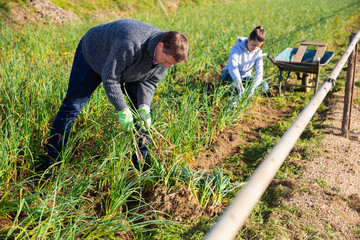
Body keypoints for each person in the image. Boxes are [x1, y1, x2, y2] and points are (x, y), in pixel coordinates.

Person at [46, 19, 189, 169]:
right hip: (94, 55)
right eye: (167, 62)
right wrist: (122, 109)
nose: (167, 66)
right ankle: (53, 161)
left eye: (171, 65)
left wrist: (144, 106)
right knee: (71, 107)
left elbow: (150, 82)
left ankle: (141, 163)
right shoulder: (131, 42)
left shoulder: (167, 56)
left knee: (142, 117)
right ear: (160, 46)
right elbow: (110, 78)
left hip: (132, 67)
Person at [221, 26, 268, 104]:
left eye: (258, 46)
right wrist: (239, 85)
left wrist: (253, 87)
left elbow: (259, 73)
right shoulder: (236, 49)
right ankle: (232, 104)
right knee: (234, 87)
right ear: (249, 38)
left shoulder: (258, 52)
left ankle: (246, 95)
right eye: (254, 45)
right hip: (230, 75)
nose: (255, 48)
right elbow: (233, 68)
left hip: (245, 77)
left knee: (264, 86)